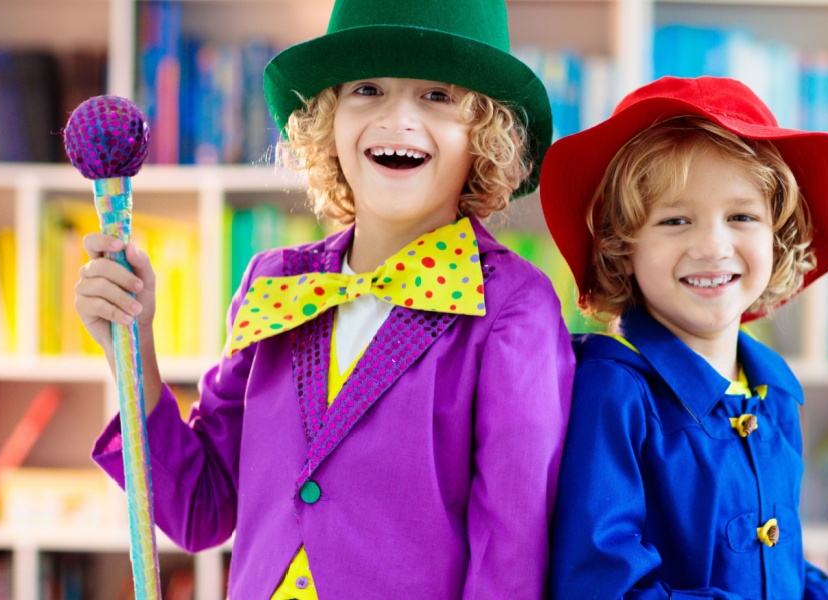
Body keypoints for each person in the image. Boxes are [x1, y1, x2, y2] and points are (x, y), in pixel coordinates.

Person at [74, 1, 573, 597]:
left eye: (437, 96)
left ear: (483, 137)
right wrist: (132, 350)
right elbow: (200, 507)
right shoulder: (275, 281)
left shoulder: (513, 307)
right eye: (367, 88)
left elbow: (511, 557)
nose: (398, 119)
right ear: (326, 122)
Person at [541, 76, 828, 599]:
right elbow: (602, 584)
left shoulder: (774, 393)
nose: (712, 246)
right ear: (624, 246)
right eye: (675, 220)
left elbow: (781, 565)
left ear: (778, 238)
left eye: (742, 216)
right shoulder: (613, 390)